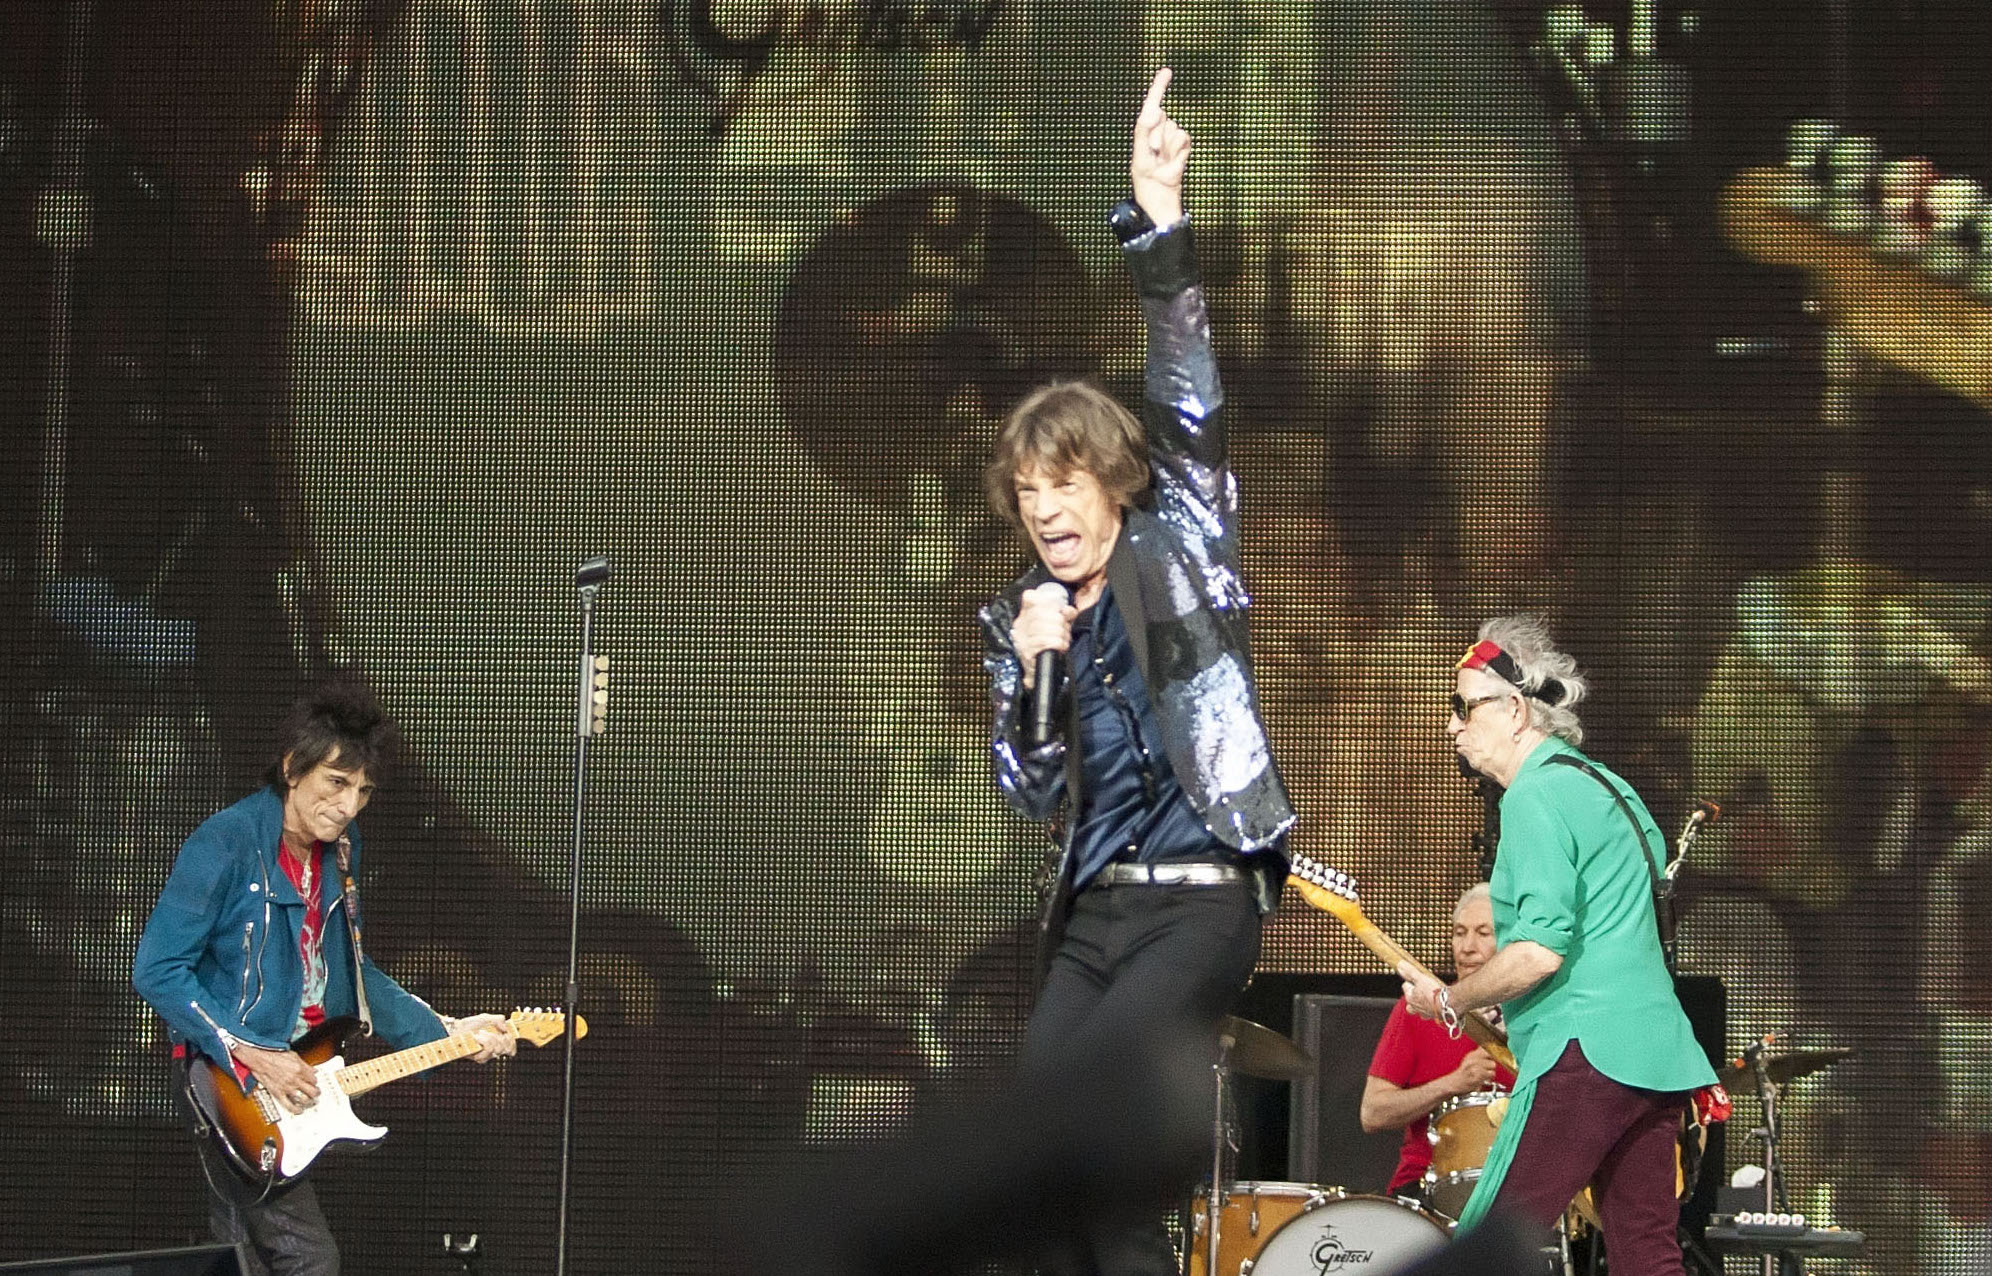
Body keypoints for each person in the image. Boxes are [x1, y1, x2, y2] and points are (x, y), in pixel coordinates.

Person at [977, 66, 1296, 1276]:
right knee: (1037, 1171)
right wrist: (1032, 675)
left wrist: (1159, 221)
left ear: (1111, 482)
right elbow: (1030, 791)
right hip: (1097, 912)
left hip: (1202, 899)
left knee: (1094, 1123)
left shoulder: (1182, 547)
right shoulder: (1031, 615)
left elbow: (1190, 394)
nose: (1047, 511)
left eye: (1065, 484)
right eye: (1028, 494)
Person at [133, 676, 517, 1275]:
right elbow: (157, 970)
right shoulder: (225, 843)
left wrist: (449, 1030)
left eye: (362, 790)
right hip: (229, 1082)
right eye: (336, 784)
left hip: (300, 1077)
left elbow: (351, 975)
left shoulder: (342, 849)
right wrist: (256, 1055)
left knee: (242, 1260)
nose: (348, 805)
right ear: (292, 768)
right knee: (309, 1259)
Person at [1396, 616, 1716, 1275]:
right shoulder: (1610, 788)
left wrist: (1451, 999)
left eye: (1462, 706)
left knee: (1485, 1247)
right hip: (1655, 1056)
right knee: (1648, 1256)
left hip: (1585, 1052)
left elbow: (1539, 951)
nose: (1452, 726)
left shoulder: (1536, 795)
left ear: (1514, 709)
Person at [1361, 883, 1516, 1197]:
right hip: (1427, 1187)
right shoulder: (1417, 1010)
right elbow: (1372, 1113)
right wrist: (1452, 1084)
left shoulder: (1535, 1016)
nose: (1466, 947)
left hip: (1518, 1187)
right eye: (1460, 932)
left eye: (1483, 933)